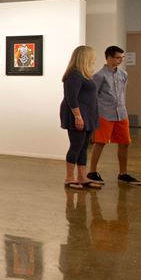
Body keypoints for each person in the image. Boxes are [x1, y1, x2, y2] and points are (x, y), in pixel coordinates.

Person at [88, 45, 141, 186]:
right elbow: (93, 97)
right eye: (118, 58)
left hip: (121, 114)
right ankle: (92, 172)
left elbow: (121, 93)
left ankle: (123, 173)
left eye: (122, 57)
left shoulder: (123, 74)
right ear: (109, 58)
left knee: (125, 142)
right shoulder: (99, 76)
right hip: (104, 114)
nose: (121, 60)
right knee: (100, 142)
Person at [59, 45, 100, 191]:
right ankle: (69, 178)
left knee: (84, 147)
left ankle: (82, 177)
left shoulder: (84, 75)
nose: (94, 59)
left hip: (87, 115)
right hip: (78, 115)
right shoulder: (74, 75)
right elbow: (71, 98)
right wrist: (78, 116)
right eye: (92, 56)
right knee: (76, 146)